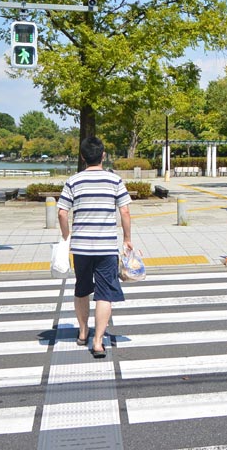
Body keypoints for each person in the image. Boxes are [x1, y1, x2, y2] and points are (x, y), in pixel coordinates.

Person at [57, 136, 133, 359]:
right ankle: (98, 341)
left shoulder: (73, 181)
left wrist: (66, 236)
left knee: (82, 288)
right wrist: (127, 238)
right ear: (103, 155)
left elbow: (62, 212)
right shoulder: (115, 181)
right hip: (106, 246)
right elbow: (125, 212)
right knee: (104, 293)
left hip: (80, 247)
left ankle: (82, 333)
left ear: (82, 157)